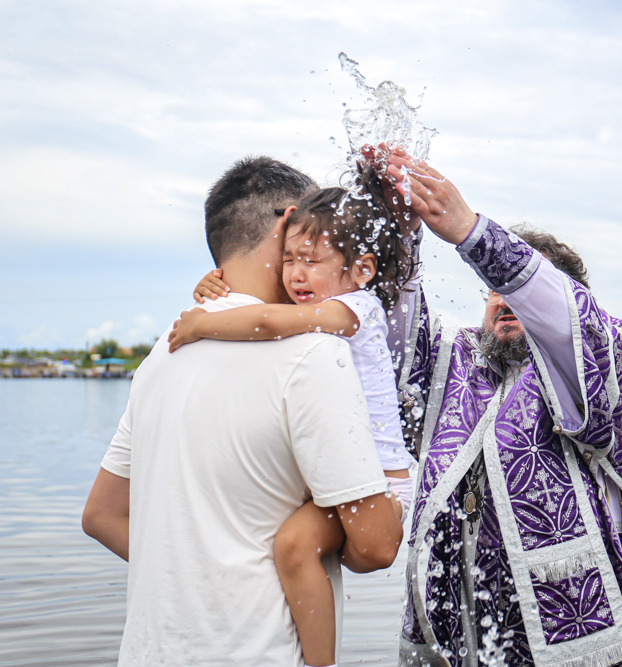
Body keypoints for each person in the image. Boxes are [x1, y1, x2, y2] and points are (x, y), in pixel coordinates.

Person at [81, 156, 403, 667]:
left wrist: (202, 581)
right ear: (290, 222)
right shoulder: (313, 354)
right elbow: (377, 546)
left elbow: (102, 516)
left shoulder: (162, 354)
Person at [372, 149, 622, 666]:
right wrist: (398, 231)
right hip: (458, 633)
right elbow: (392, 336)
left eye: (517, 292)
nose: (502, 300)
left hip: (571, 636)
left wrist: (470, 232)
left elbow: (568, 318)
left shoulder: (605, 361)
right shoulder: (458, 360)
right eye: (493, 291)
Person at [170, 168, 417, 667]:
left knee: (293, 545)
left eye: (312, 260)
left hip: (385, 484)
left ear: (362, 269)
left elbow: (267, 319)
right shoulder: (326, 304)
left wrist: (203, 324)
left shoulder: (356, 309)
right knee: (291, 543)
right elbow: (269, 306)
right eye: (287, 260)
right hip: (347, 473)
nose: (296, 275)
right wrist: (215, 285)